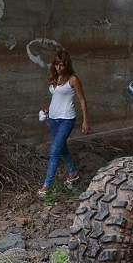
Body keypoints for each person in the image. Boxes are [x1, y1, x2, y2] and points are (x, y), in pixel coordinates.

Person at [40, 49, 90, 197]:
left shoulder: (73, 79)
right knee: (62, 149)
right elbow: (56, 99)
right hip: (53, 118)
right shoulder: (54, 79)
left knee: (54, 151)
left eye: (61, 65)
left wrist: (85, 121)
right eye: (56, 65)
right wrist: (47, 110)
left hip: (67, 119)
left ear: (66, 65)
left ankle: (46, 186)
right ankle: (73, 173)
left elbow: (82, 100)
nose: (58, 68)